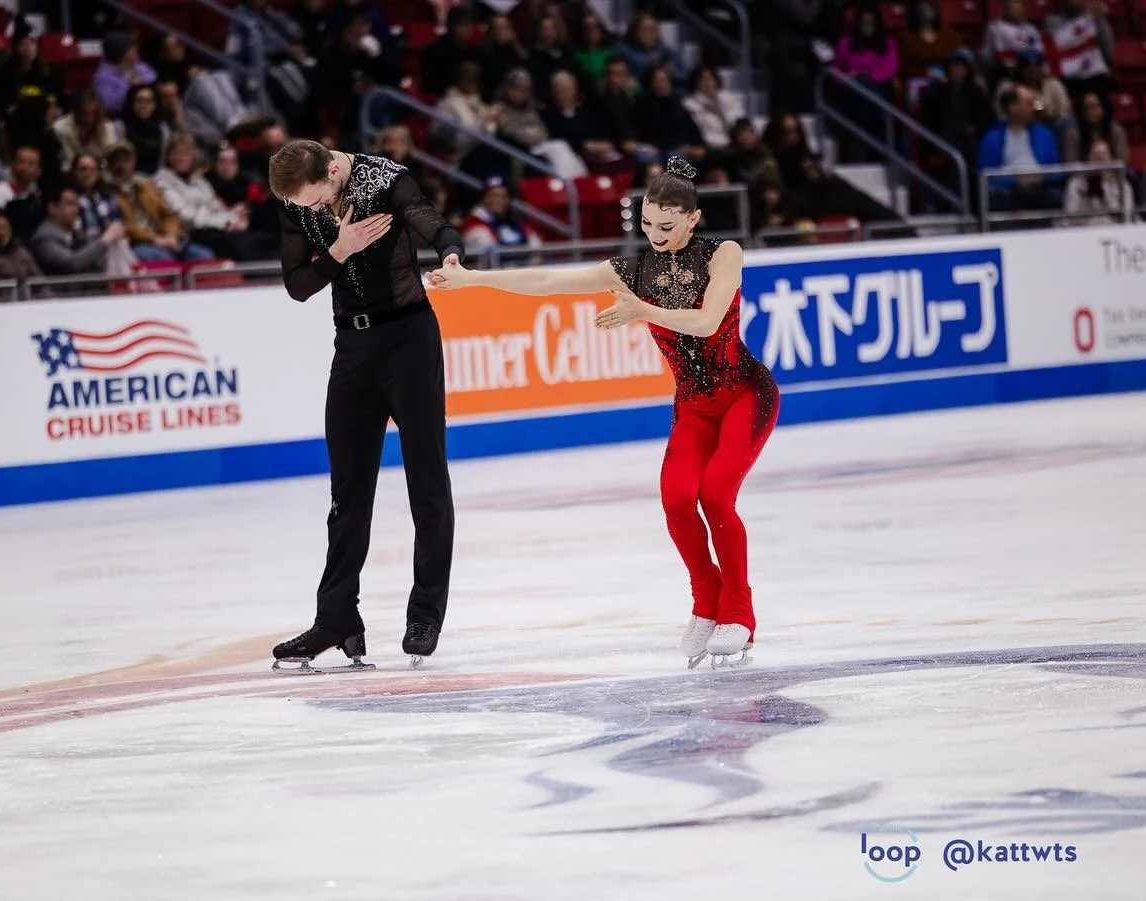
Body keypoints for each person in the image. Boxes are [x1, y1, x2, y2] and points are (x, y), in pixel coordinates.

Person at [427, 157, 780, 668]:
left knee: (716, 495)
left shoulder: (724, 254)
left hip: (746, 394)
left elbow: (706, 322)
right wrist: (473, 280)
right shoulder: (632, 271)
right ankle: (707, 606)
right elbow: (548, 283)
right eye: (646, 225)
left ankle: (739, 614)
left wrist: (643, 311)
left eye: (666, 225)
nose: (655, 235)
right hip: (695, 406)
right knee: (679, 500)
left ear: (692, 219)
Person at [266, 139, 464, 672]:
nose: (307, 211)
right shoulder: (296, 200)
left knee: (427, 479)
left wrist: (450, 255)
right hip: (351, 348)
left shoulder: (385, 179)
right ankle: (337, 619)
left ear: (333, 170)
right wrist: (339, 248)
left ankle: (425, 614)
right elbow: (297, 285)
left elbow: (434, 225)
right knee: (347, 490)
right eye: (299, 207)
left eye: (313, 200)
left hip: (409, 340)